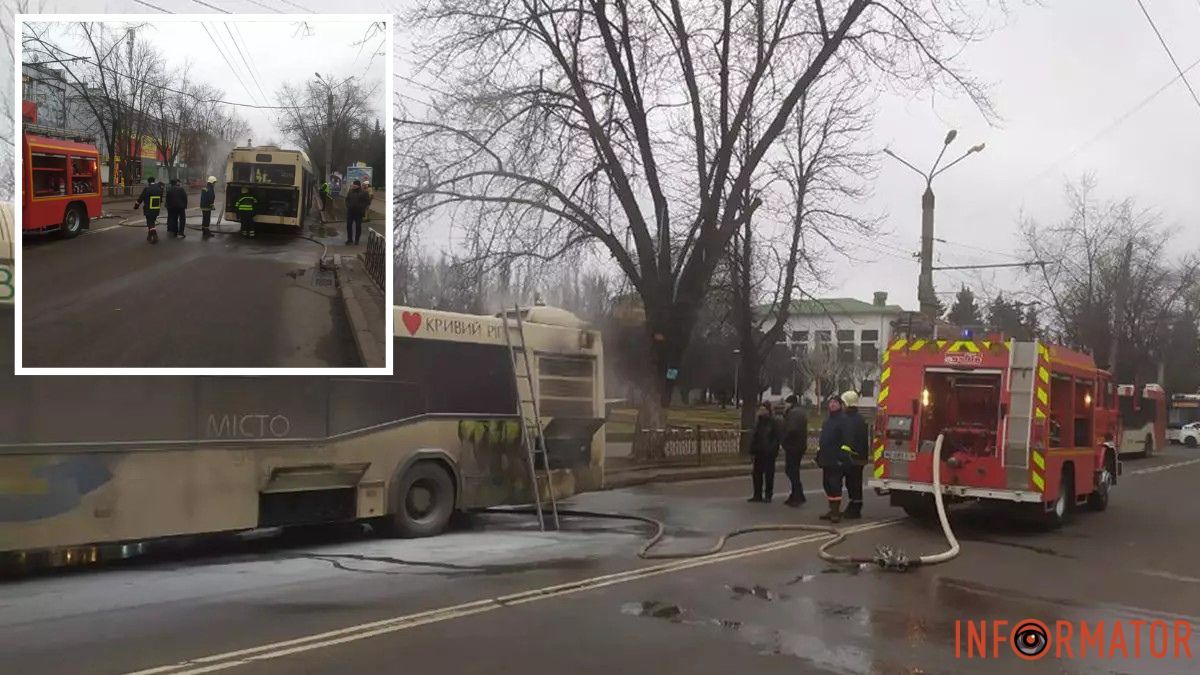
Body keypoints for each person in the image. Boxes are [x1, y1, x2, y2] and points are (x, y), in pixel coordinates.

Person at [816, 393, 851, 523]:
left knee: (835, 484)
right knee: (826, 484)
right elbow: (823, 440)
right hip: (826, 458)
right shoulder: (827, 421)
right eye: (831, 402)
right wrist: (819, 455)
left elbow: (847, 441)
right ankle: (831, 509)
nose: (832, 404)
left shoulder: (843, 420)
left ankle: (836, 512)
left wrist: (842, 457)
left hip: (837, 459)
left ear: (840, 405)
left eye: (835, 403)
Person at [840, 390, 869, 519]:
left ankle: (855, 507)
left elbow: (849, 439)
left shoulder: (851, 419)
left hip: (854, 457)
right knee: (852, 482)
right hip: (858, 456)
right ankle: (853, 505)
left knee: (853, 483)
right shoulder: (858, 418)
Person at [747, 401, 782, 503]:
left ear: (768, 410)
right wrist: (752, 450)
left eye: (763, 409)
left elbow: (777, 438)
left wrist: (772, 449)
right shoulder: (758, 422)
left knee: (769, 475)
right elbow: (755, 437)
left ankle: (768, 494)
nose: (761, 411)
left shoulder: (773, 422)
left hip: (769, 453)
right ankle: (757, 494)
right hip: (759, 452)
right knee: (757, 474)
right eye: (760, 409)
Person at [781, 393, 809, 507]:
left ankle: (797, 494)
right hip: (799, 445)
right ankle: (797, 494)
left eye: (786, 403)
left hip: (793, 446)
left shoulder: (794, 413)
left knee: (791, 471)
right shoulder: (800, 412)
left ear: (790, 403)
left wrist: (784, 440)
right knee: (794, 471)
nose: (785, 405)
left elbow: (791, 430)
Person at [133, 176, 164, 244]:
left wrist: (136, 206)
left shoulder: (147, 188)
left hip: (148, 208)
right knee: (152, 221)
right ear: (154, 181)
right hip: (156, 208)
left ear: (148, 182)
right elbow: (161, 200)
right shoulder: (159, 189)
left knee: (150, 223)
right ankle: (149, 236)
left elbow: (141, 198)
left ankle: (155, 235)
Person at [344, 179, 369, 245]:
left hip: (359, 212)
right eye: (353, 185)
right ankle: (350, 239)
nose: (353, 186)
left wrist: (361, 207)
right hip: (350, 212)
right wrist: (348, 205)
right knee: (349, 225)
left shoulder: (364, 192)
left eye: (354, 185)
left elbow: (367, 202)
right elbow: (347, 199)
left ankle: (357, 240)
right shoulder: (350, 191)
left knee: (358, 226)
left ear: (358, 185)